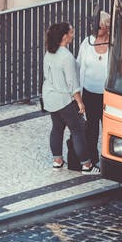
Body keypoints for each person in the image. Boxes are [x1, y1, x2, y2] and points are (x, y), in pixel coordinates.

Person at [42, 22, 99, 174]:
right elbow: (72, 84)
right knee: (78, 130)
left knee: (57, 128)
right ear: (64, 36)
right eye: (71, 32)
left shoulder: (49, 53)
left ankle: (57, 161)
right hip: (65, 100)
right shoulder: (66, 56)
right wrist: (80, 103)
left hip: (51, 99)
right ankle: (87, 165)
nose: (73, 35)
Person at [76, 11, 110, 166]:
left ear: (107, 27)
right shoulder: (87, 42)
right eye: (94, 26)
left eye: (100, 27)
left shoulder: (114, 45)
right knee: (92, 128)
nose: (96, 29)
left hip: (108, 96)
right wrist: (78, 94)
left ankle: (109, 156)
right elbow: (78, 65)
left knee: (109, 127)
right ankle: (93, 158)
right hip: (89, 93)